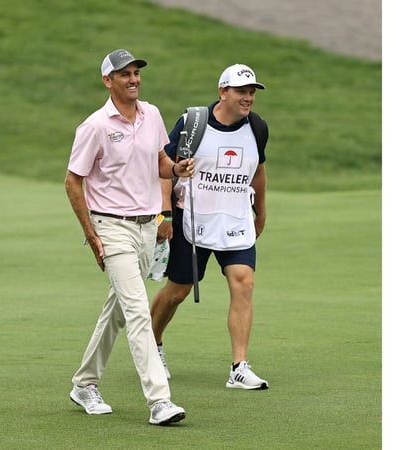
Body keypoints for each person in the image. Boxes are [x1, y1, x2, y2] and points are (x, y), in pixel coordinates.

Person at [65, 49, 194, 425]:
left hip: (147, 228)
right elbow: (74, 181)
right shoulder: (95, 126)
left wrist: (178, 168)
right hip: (111, 227)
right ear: (108, 81)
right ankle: (159, 401)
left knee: (118, 311)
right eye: (125, 74)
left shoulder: (152, 114)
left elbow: (160, 164)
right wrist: (90, 234)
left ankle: (84, 383)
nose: (133, 79)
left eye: (136, 72)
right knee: (138, 311)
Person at [151, 64, 269, 390]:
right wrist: (165, 215)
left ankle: (239, 367)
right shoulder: (192, 124)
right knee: (178, 291)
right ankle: (152, 345)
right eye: (241, 91)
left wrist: (261, 212)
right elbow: (164, 167)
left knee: (243, 282)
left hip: (235, 218)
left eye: (251, 92)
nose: (247, 98)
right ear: (223, 92)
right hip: (192, 218)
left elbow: (258, 171)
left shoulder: (257, 128)